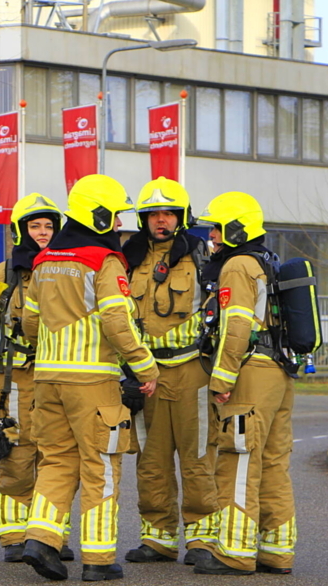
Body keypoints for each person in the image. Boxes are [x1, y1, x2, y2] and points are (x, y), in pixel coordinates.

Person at [20, 174, 159, 582]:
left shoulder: (43, 261)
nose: (119, 224)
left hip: (47, 378)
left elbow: (29, 323)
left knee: (56, 460)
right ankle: (98, 560)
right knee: (101, 465)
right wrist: (144, 366)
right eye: (114, 216)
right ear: (97, 217)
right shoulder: (105, 261)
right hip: (93, 381)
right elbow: (117, 321)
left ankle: (40, 540)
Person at [193, 191, 296, 576]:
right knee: (273, 463)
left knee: (237, 461)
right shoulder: (266, 261)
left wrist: (222, 378)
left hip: (250, 374)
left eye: (217, 228)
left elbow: (236, 325)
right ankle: (277, 551)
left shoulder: (237, 265)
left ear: (236, 230)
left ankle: (234, 552)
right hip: (277, 372)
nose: (212, 236)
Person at [121, 177, 217, 565]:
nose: (161, 220)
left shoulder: (200, 256)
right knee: (151, 460)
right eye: (154, 214)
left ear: (181, 217)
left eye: (169, 213)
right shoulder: (127, 258)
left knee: (197, 457)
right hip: (147, 374)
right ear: (143, 219)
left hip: (192, 370)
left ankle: (202, 539)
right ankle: (158, 538)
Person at [0, 193, 75, 563]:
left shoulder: (67, 271)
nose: (43, 232)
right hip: (14, 381)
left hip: (56, 377)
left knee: (56, 457)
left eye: (49, 226)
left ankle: (50, 536)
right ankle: (14, 537)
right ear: (21, 231)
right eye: (35, 226)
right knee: (17, 458)